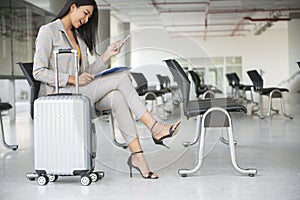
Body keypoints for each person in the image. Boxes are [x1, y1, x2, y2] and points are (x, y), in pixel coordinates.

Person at [33, 0, 180, 179]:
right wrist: (72, 79)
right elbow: (38, 72)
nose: (86, 19)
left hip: (79, 92)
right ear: (73, 7)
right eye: (85, 13)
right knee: (121, 78)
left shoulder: (79, 38)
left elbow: (87, 74)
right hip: (60, 96)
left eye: (89, 16)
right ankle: (155, 126)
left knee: (118, 96)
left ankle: (138, 157)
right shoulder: (48, 31)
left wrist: (107, 55)